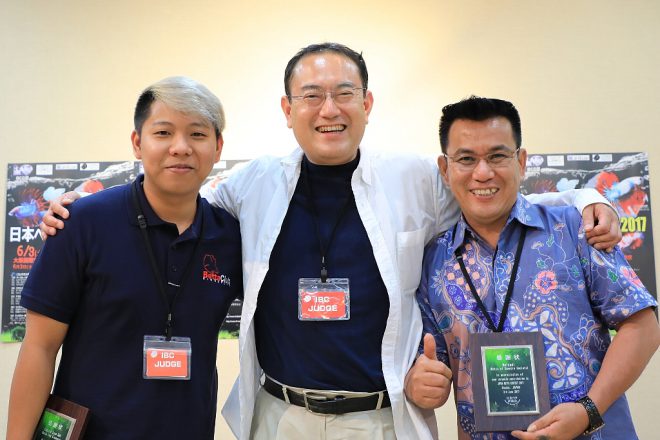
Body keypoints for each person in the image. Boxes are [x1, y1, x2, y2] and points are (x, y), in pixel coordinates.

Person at [40, 44, 620, 440]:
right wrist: (79, 209)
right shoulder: (252, 183)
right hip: (279, 416)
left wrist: (589, 199)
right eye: (311, 95)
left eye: (344, 93)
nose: (329, 110)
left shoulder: (415, 178)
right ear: (287, 109)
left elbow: (492, 191)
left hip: (381, 420)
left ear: (366, 105)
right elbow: (172, 195)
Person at [404, 96, 659, 440]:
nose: (483, 172)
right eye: (466, 159)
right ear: (445, 169)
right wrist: (419, 382)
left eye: (497, 156)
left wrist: (588, 410)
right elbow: (432, 362)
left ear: (521, 162)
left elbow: (643, 326)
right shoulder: (434, 260)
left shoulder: (576, 229)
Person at [7, 77, 243, 439]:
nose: (180, 147)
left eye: (197, 134)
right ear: (137, 143)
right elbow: (39, 346)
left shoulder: (230, 237)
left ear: (217, 146)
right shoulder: (82, 222)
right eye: (163, 133)